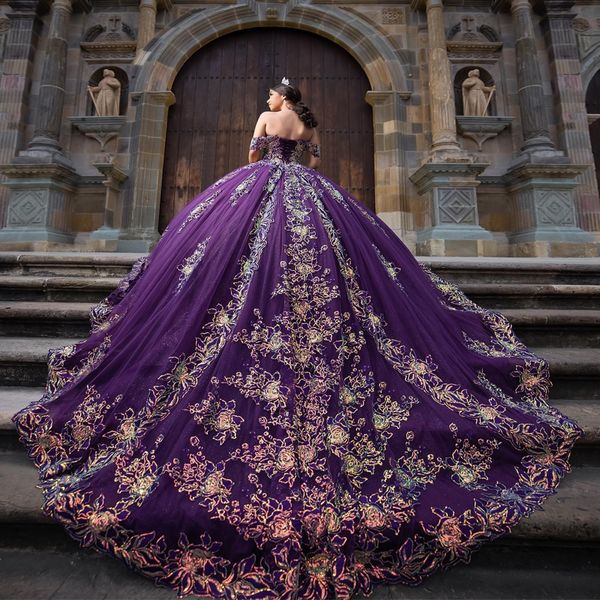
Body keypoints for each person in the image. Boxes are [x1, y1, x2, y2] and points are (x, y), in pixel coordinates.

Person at [12, 78, 583, 599]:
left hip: (256, 193)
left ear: (280, 101)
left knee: (225, 264)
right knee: (341, 269)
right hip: (309, 196)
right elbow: (315, 157)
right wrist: (299, 159)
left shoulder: (265, 124)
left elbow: (253, 156)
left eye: (271, 95)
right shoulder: (307, 130)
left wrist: (260, 152)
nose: (268, 101)